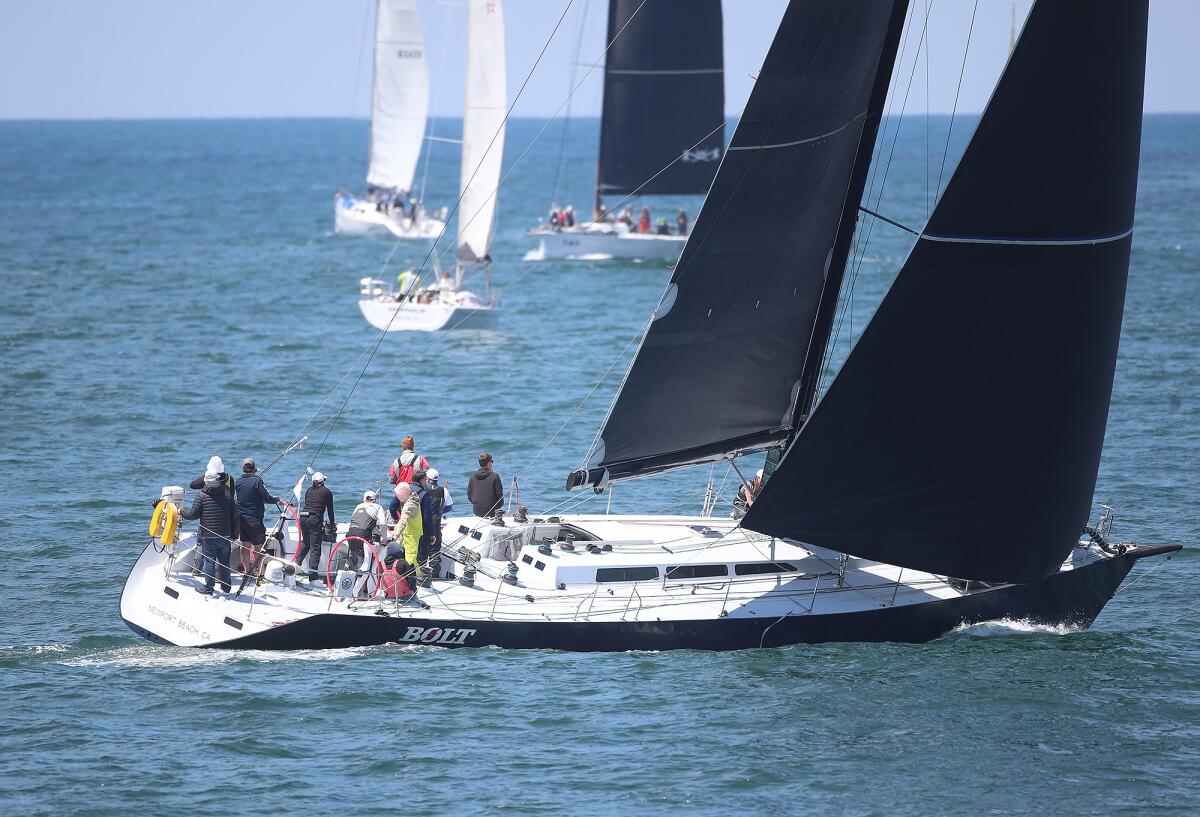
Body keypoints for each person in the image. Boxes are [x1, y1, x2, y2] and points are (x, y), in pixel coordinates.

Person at [179, 471, 240, 595]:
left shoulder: (202, 495)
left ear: (206, 481)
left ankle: (209, 588)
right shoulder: (227, 493)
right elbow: (235, 515)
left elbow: (192, 515)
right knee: (224, 563)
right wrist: (235, 534)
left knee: (209, 562)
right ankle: (226, 588)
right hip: (225, 535)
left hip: (208, 535)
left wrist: (181, 511)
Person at [234, 457, 280, 573]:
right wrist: (276, 500)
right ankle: (261, 573)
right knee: (258, 547)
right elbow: (266, 497)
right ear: (254, 470)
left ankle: (247, 571)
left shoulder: (238, 481)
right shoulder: (257, 481)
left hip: (242, 519)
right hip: (255, 519)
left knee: (245, 545)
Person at [296, 472, 335, 583]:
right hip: (314, 519)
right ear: (323, 482)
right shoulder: (327, 492)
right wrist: (332, 525)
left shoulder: (309, 490)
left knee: (306, 542)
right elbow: (330, 510)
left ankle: (295, 566)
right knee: (315, 547)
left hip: (303, 517)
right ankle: (313, 578)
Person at [389, 482, 424, 591]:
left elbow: (403, 520)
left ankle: (415, 584)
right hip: (408, 534)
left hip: (412, 536)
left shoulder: (409, 505)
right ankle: (406, 580)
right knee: (405, 557)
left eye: (398, 495)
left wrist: (395, 535)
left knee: (410, 561)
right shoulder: (413, 498)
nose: (397, 498)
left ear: (403, 494)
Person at [347, 489, 390, 570]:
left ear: (364, 499)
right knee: (365, 559)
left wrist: (379, 532)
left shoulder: (358, 506)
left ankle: (352, 574)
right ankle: (363, 576)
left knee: (354, 558)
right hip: (363, 536)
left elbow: (356, 521)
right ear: (375, 500)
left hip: (350, 534)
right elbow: (383, 523)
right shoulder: (377, 507)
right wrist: (384, 539)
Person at [420, 469, 449, 580]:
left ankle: (421, 577)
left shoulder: (422, 490)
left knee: (422, 553)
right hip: (436, 525)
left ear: (427, 478)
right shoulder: (443, 491)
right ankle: (435, 578)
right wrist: (439, 512)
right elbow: (449, 506)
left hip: (423, 525)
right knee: (435, 553)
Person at [467, 451, 504, 518]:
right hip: (493, 513)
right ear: (489, 463)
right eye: (492, 461)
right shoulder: (495, 476)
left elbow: (469, 496)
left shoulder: (472, 477)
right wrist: (500, 506)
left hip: (477, 512)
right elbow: (500, 495)